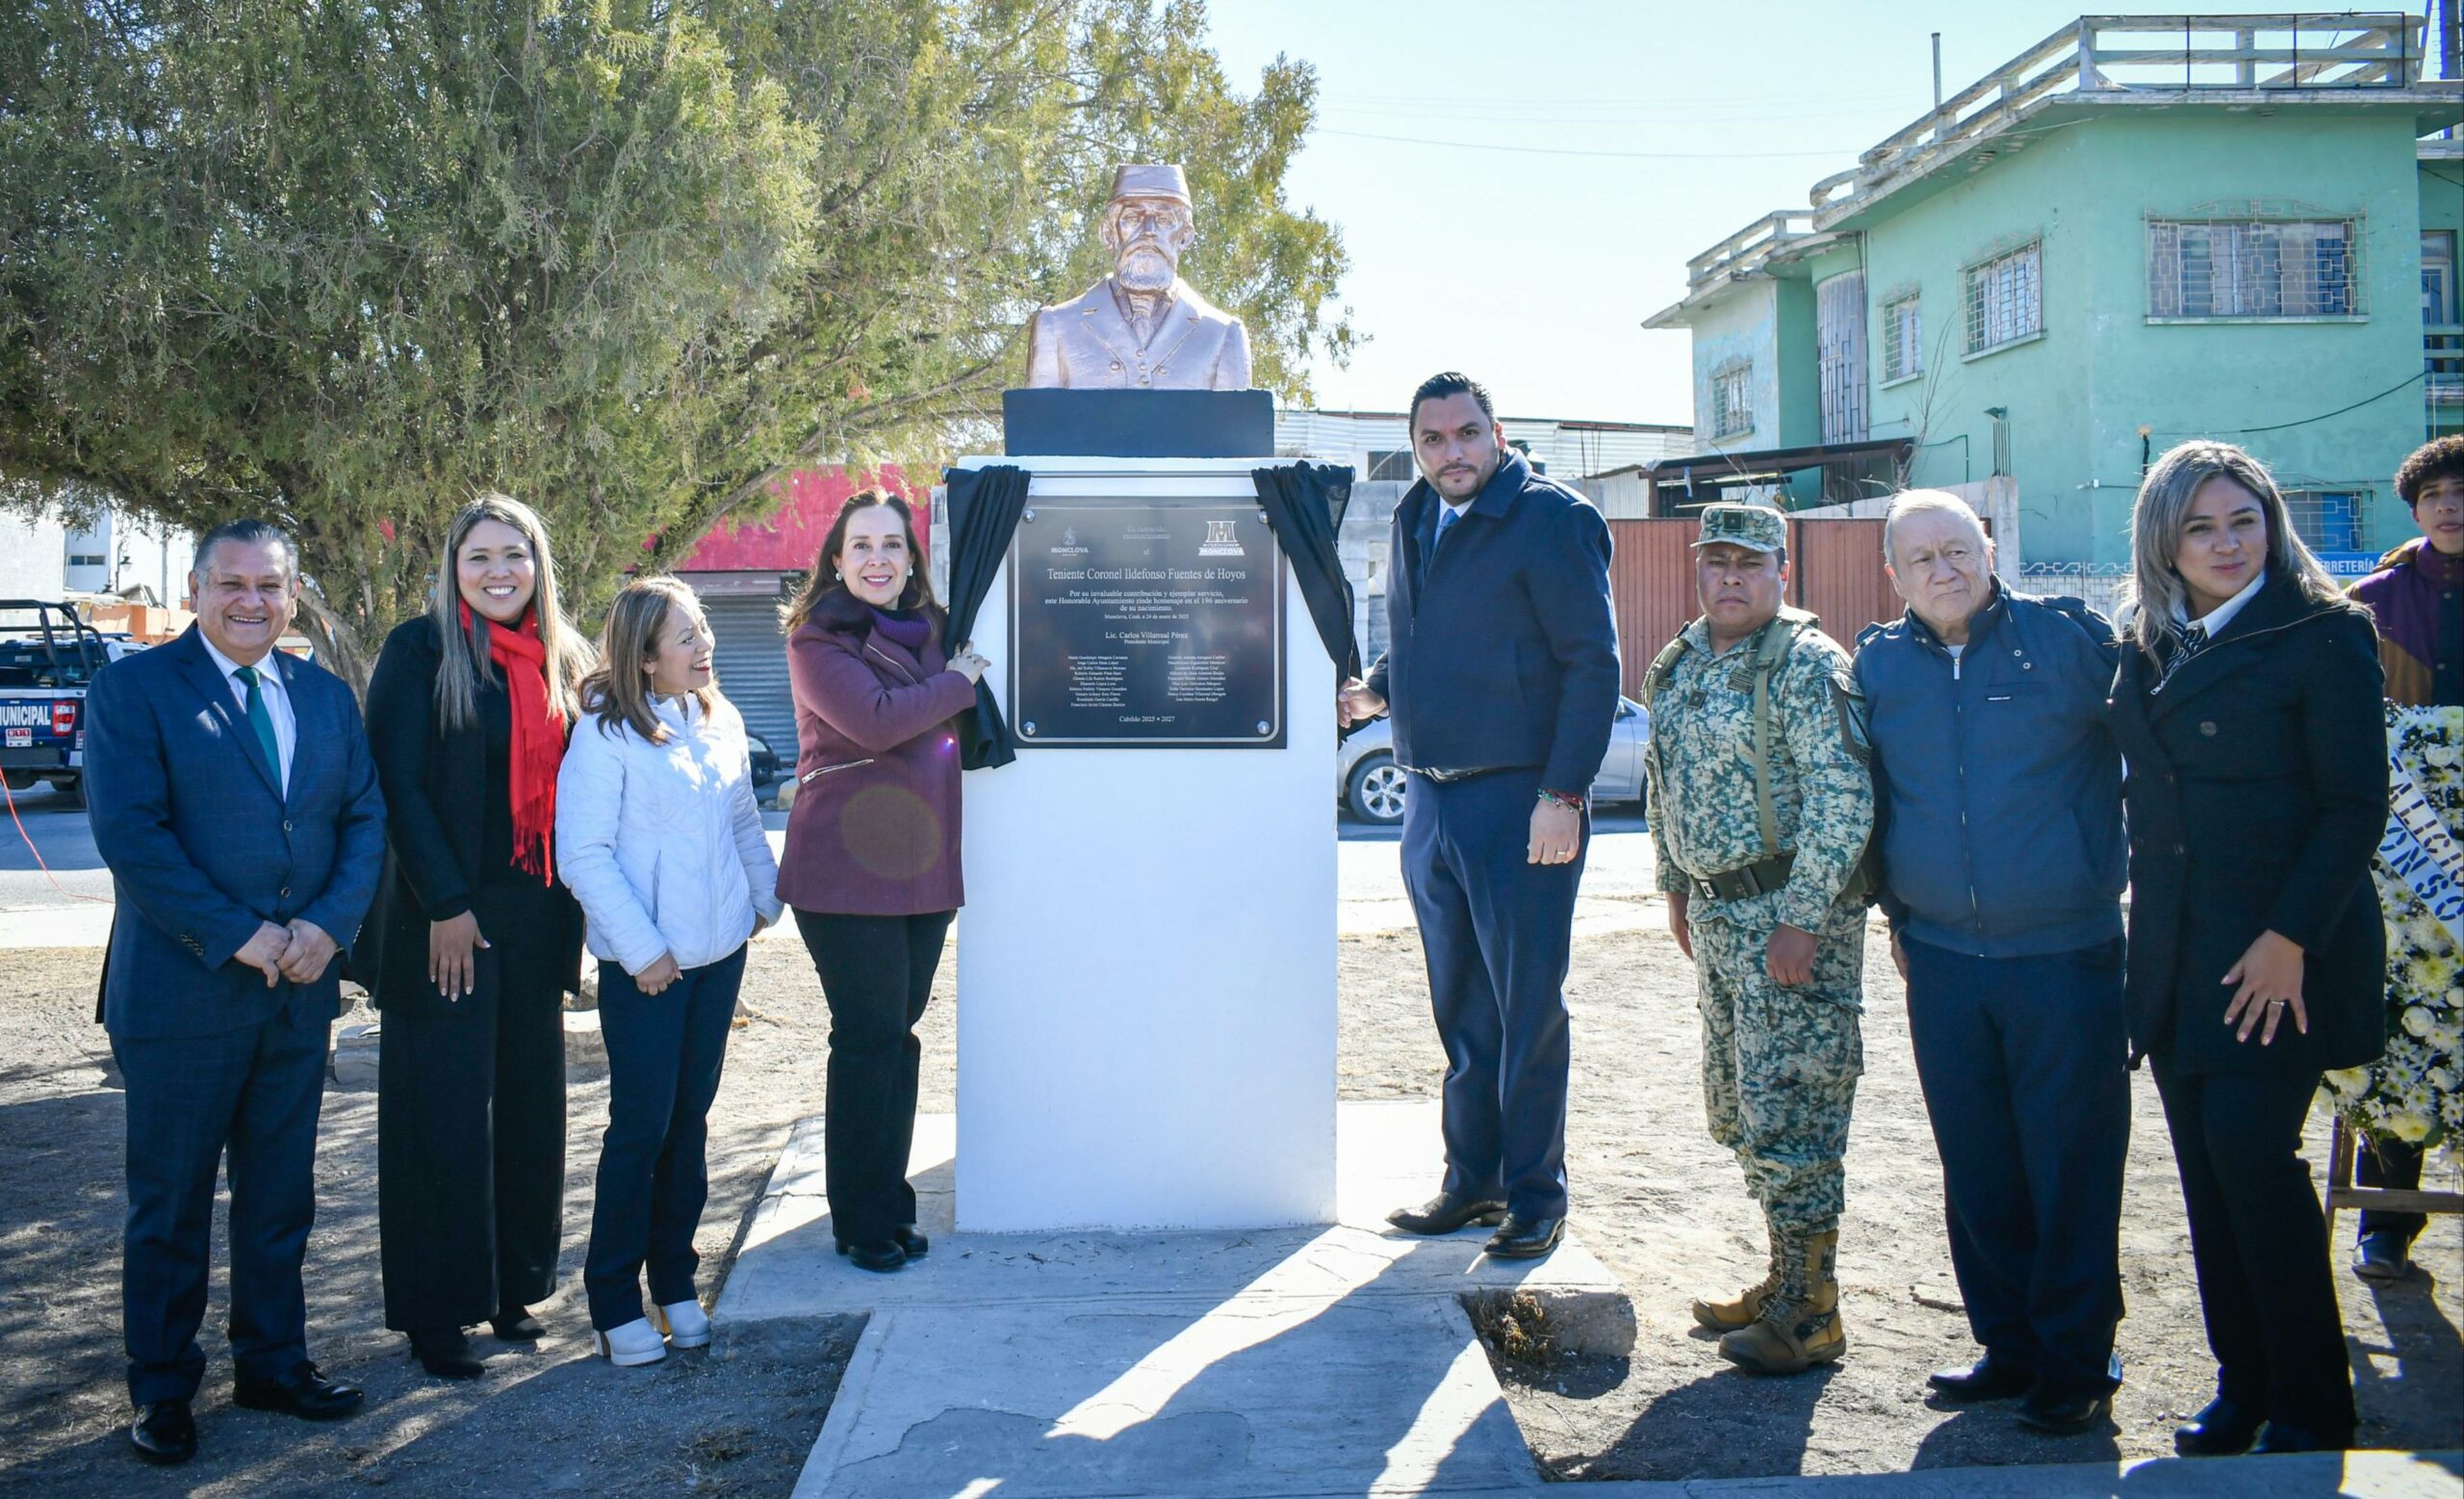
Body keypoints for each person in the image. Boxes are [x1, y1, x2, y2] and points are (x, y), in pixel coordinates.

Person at [85, 518, 386, 1463]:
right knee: (169, 1203)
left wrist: (328, 929)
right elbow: (132, 835)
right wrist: (242, 934)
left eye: (270, 586)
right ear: (195, 589)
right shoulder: (133, 689)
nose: (251, 601)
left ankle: (273, 1362)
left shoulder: (326, 697)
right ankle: (164, 1387)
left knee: (279, 1195)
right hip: (183, 996)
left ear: (293, 595)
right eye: (232, 585)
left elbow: (363, 818)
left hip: (298, 993)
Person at [2110, 440, 2386, 1456]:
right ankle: (2244, 1385)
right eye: (2201, 526)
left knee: (2252, 1163)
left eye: (2244, 519)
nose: (2228, 543)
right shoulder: (2142, 645)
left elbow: (2355, 806)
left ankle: (2312, 1403)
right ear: (2163, 542)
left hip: (2280, 957)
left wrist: (2288, 942)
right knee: (2203, 1174)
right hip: (2178, 956)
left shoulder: (2323, 633)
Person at [1854, 491, 2129, 1434]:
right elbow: (1873, 803)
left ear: (1989, 549)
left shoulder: (2066, 643)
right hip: (1940, 959)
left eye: (1957, 548)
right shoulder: (1880, 665)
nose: (1942, 567)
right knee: (1978, 1162)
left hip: (2064, 954)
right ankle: (2007, 1346)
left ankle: (2075, 1359)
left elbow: (2155, 747)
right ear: (1892, 575)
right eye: (1919, 556)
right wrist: (1896, 913)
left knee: (2070, 1163)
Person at [1337, 371, 1620, 1261]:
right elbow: (1421, 633)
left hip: (1521, 801)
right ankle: (1474, 1181)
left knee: (1526, 1005)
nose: (1450, 453)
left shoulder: (1553, 519)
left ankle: (1537, 1195)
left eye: (1466, 435)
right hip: (1428, 799)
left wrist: (1564, 795)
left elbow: (1592, 667)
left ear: (1496, 433)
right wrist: (1376, 689)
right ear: (1416, 448)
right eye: (1433, 441)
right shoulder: (1417, 516)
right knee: (1462, 1009)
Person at [362, 494, 591, 1379]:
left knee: (529, 1108)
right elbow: (398, 790)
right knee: (441, 1115)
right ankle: (435, 1311)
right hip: (441, 919)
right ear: (452, 567)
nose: (500, 572)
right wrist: (445, 905)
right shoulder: (419, 652)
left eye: (516, 555)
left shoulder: (561, 661)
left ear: (540, 565)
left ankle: (510, 1289)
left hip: (534, 918)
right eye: (480, 557)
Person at [1642, 502, 1874, 1376]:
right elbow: (1663, 785)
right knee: (1739, 1108)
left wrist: (1803, 917)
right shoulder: (1683, 660)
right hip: (1716, 914)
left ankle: (1814, 1310)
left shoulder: (1811, 664)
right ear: (1698, 568)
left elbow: (1845, 798)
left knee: (1795, 1108)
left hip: (1789, 919)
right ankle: (1784, 1280)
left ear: (1783, 572)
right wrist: (1674, 884)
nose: (1730, 578)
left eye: (1750, 563)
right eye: (1717, 561)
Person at [557, 578, 783, 1365]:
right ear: (645, 657)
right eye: (686, 636)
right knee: (641, 1129)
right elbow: (581, 852)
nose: (705, 646)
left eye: (703, 629)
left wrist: (762, 900)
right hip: (648, 971)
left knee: (689, 1125)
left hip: (719, 960)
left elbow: (745, 820)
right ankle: (614, 1298)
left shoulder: (718, 717)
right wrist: (643, 949)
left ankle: (676, 1281)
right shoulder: (606, 732)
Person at [776, 489, 988, 1273]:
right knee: (866, 1039)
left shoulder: (932, 630)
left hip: (922, 867)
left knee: (898, 1041)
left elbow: (924, 720)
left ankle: (890, 1205)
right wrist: (960, 681)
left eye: (891, 545)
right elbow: (874, 720)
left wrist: (949, 676)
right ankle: (858, 1221)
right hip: (841, 872)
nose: (876, 559)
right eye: (860, 545)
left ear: (911, 558)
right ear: (836, 559)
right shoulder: (815, 640)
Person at [2344, 433, 2464, 1282]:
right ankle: (2388, 1216)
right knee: (2402, 1019)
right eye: (2437, 496)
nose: (2452, 508)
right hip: (2404, 856)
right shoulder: (2371, 605)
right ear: (2413, 508)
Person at [1022, 163, 1251, 390]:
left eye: (1164, 220)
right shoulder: (1056, 326)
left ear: (1185, 237)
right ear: (1108, 234)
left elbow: (1235, 426)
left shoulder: (1223, 336)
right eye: (1132, 218)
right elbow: (1040, 423)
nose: (1149, 230)